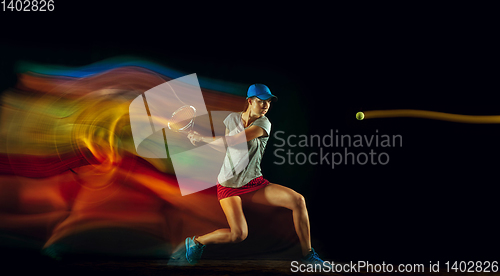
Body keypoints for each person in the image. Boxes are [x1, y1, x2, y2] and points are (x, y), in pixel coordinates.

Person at [176, 84, 324, 265]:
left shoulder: (264, 123)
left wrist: (202, 139)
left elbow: (233, 141)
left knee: (298, 200)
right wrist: (200, 141)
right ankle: (197, 242)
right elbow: (226, 148)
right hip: (228, 185)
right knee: (238, 235)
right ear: (250, 101)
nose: (266, 106)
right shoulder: (231, 119)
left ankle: (308, 255)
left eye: (268, 102)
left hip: (253, 183)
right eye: (261, 101)